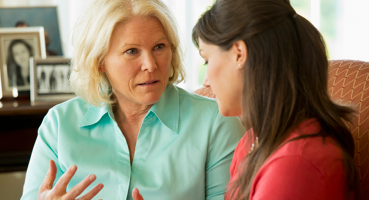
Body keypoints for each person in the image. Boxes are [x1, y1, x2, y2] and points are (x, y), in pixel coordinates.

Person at [21, 0, 245, 199]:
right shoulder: (59, 124)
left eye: (159, 47)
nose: (150, 64)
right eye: (132, 51)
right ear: (99, 61)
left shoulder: (216, 121)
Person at [191, 0, 359, 199]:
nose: (206, 82)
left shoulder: (297, 163)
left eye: (207, 60)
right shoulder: (251, 142)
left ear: (239, 54)